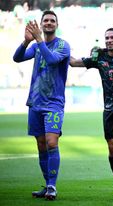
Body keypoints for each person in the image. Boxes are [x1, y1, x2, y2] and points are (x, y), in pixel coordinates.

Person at [69, 28, 113, 197]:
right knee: (112, 147)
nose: (109, 40)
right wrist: (62, 49)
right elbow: (73, 63)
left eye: (112, 37)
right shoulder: (99, 57)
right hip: (109, 109)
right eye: (106, 38)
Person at [13, 10, 70, 200]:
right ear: (42, 23)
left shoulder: (63, 45)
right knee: (40, 145)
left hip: (53, 103)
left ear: (57, 24)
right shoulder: (37, 45)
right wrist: (26, 41)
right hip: (35, 103)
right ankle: (47, 185)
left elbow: (52, 60)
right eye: (45, 20)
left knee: (51, 142)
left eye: (52, 20)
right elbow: (17, 58)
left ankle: (52, 187)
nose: (48, 23)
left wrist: (38, 40)